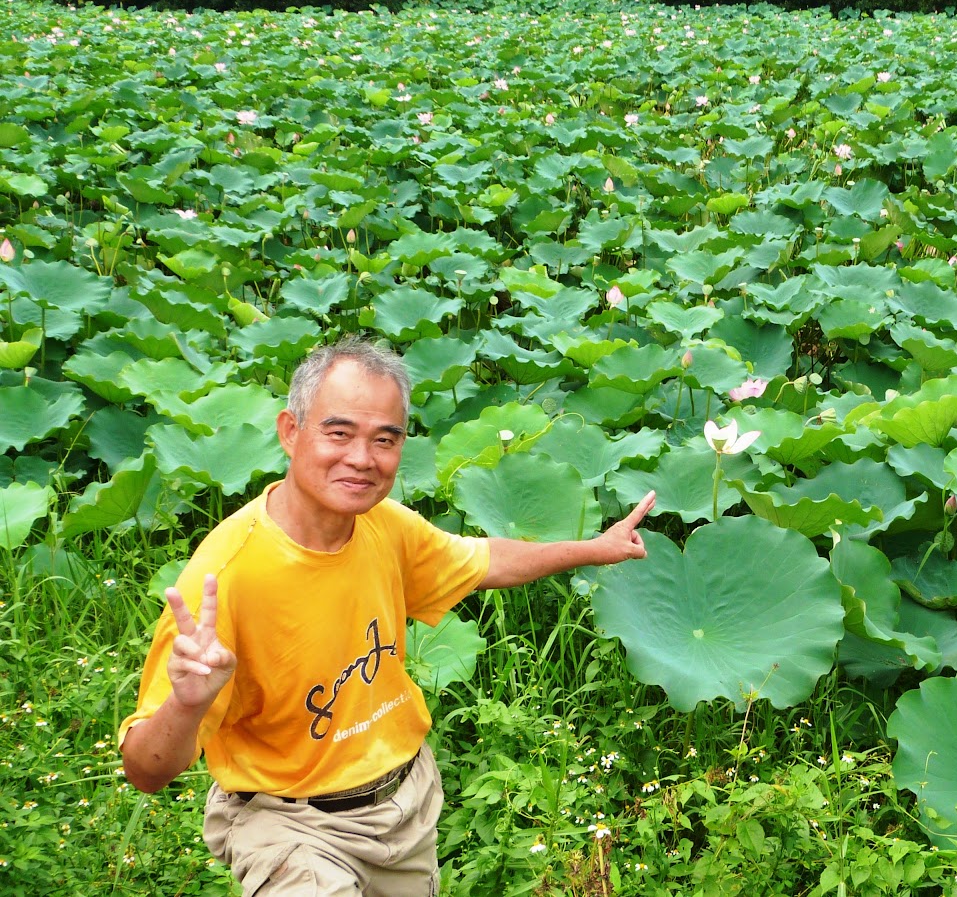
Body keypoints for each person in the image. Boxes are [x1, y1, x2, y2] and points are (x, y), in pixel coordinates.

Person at [118, 337, 656, 895]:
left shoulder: (384, 524)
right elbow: (145, 770)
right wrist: (187, 702)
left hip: (403, 803)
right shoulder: (224, 576)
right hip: (291, 827)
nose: (362, 458)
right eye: (339, 432)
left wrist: (595, 548)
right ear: (290, 431)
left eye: (385, 439)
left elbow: (484, 559)